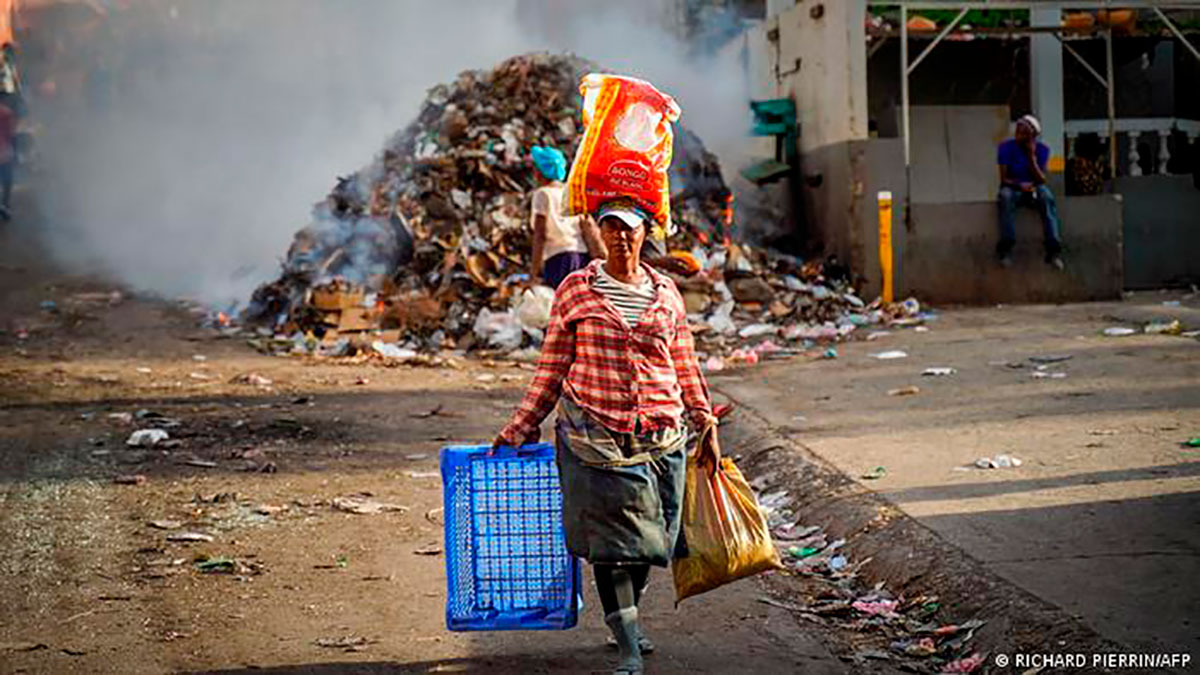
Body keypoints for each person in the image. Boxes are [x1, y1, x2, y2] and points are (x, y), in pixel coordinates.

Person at [493, 200, 720, 675]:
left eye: (629, 229)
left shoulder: (667, 294)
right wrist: (522, 424)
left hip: (661, 436)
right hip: (594, 435)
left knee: (649, 544)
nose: (620, 238)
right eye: (610, 228)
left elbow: (685, 363)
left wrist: (706, 421)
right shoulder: (576, 291)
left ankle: (626, 619)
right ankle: (628, 644)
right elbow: (551, 367)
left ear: (645, 234)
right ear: (598, 233)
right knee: (613, 544)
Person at [529, 145, 605, 288]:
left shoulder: (543, 194)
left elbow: (540, 234)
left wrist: (534, 272)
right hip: (582, 257)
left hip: (558, 259)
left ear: (539, 171)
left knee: (562, 304)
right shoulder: (570, 193)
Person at [996, 114, 1064, 269]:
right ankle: (1006, 249)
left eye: (1023, 131)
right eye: (1018, 129)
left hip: (1034, 187)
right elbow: (1004, 178)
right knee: (1004, 197)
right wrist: (1020, 186)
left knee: (1046, 196)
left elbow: (1041, 179)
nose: (1018, 133)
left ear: (1032, 135)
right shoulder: (1005, 148)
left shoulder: (1042, 150)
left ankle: (1053, 251)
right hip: (1014, 188)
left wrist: (1031, 156)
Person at [0, 90, 18, 221]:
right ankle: (5, 204)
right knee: (7, 180)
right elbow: (12, 134)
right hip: (4, 152)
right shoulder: (6, 112)